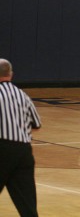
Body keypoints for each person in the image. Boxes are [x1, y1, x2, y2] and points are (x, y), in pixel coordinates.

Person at [0, 59, 42, 217]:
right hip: (23, 152)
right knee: (27, 204)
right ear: (10, 74)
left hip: (1, 148)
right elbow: (36, 124)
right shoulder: (22, 95)